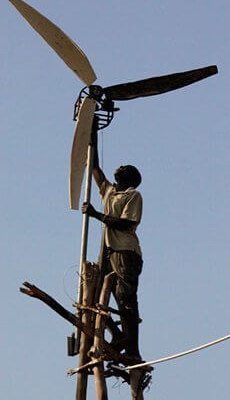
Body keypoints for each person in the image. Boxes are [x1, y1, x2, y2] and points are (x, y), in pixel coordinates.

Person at [81, 126, 143, 362]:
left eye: (125, 168)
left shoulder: (131, 196)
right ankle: (119, 337)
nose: (121, 166)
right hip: (108, 252)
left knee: (126, 300)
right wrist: (92, 135)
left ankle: (132, 347)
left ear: (130, 179)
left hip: (126, 252)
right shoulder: (109, 191)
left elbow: (127, 223)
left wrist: (97, 215)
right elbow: (95, 169)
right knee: (96, 296)